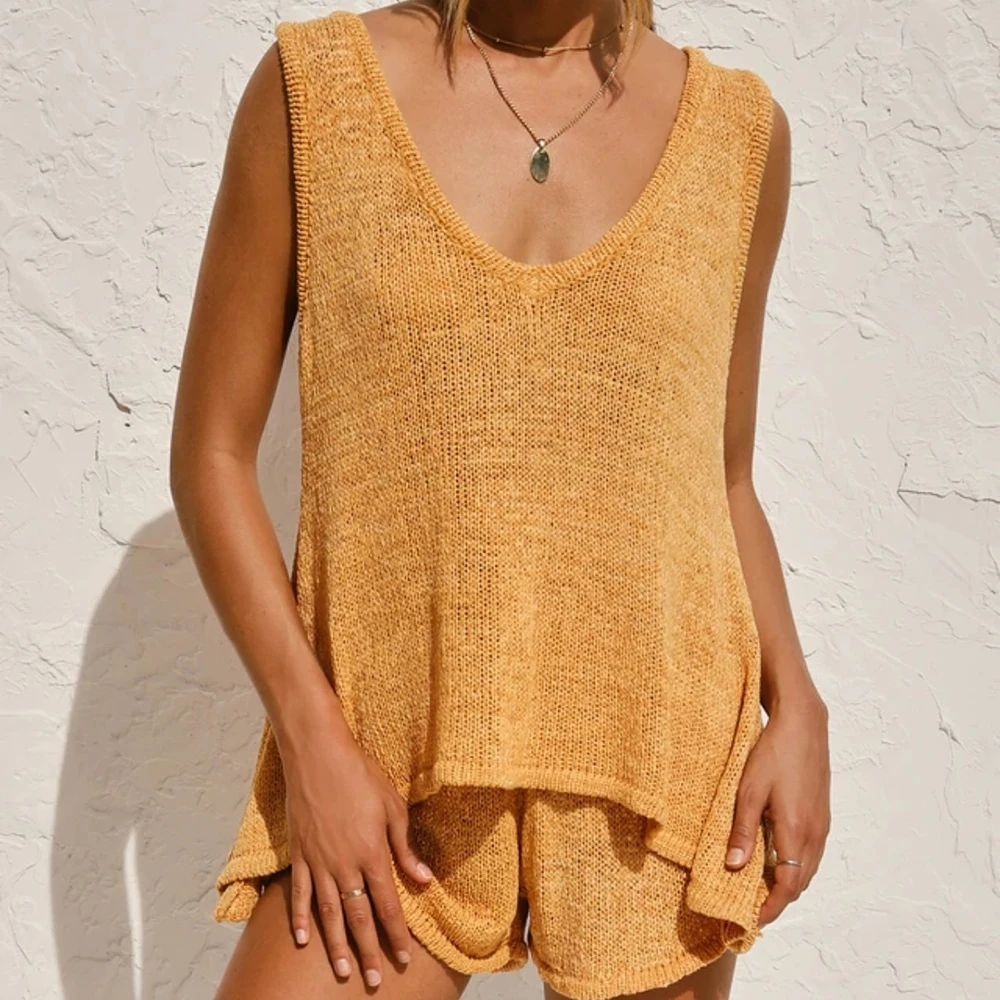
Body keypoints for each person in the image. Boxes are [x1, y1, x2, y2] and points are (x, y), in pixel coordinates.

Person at [169, 1, 831, 997]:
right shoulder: (317, 91)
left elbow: (723, 475)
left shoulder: (738, 134)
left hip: (657, 773)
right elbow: (211, 453)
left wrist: (798, 703)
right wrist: (312, 741)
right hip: (390, 771)